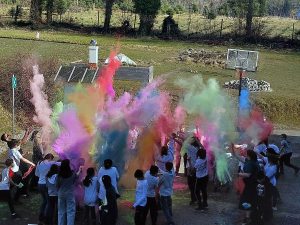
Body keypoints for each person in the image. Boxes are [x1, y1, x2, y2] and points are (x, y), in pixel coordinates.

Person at [232, 146, 260, 225]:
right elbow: (240, 158)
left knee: (246, 201)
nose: (245, 154)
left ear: (249, 155)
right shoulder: (251, 160)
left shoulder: (251, 163)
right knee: (247, 201)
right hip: (249, 185)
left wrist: (238, 174)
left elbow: (248, 175)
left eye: (246, 153)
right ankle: (248, 217)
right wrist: (233, 152)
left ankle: (248, 218)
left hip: (250, 186)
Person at [35, 153, 61, 223]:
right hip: (46, 185)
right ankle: (46, 218)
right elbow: (60, 164)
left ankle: (41, 216)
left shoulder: (39, 162)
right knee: (49, 203)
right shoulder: (50, 163)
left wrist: (42, 174)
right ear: (50, 158)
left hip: (39, 184)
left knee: (44, 201)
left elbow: (36, 174)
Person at [56, 159, 82, 225]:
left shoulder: (59, 175)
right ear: (68, 165)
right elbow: (77, 176)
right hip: (70, 194)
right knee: (70, 211)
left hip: (61, 193)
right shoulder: (72, 174)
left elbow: (57, 185)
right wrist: (79, 170)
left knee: (61, 211)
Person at [186, 137, 199, 205]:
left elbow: (183, 142)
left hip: (191, 168)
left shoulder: (190, 147)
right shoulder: (197, 149)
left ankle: (193, 199)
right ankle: (195, 198)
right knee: (194, 185)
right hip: (195, 168)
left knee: (191, 185)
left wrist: (177, 137)